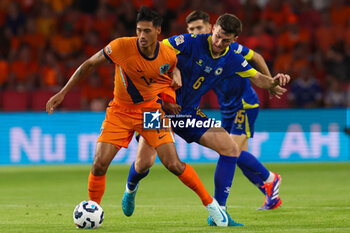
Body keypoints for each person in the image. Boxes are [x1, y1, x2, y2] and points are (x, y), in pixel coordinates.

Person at [46, 6, 228, 227]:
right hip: (120, 112)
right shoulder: (121, 46)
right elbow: (89, 65)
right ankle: (93, 210)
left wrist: (169, 102)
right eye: (139, 30)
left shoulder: (168, 55)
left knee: (173, 164)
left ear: (158, 31)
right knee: (99, 165)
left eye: (147, 31)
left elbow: (168, 80)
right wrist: (63, 92)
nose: (142, 35)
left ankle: (211, 206)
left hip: (151, 112)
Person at [122, 12, 290, 226]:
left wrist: (274, 81)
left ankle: (219, 213)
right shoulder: (189, 41)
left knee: (230, 148)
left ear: (234, 40)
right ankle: (130, 188)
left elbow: (258, 78)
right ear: (213, 29)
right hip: (158, 108)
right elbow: (156, 49)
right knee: (144, 163)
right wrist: (173, 70)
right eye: (218, 36)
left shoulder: (233, 58)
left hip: (188, 113)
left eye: (226, 40)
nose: (219, 43)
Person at [187, 10, 283, 211]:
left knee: (232, 150)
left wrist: (271, 82)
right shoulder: (198, 49)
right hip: (227, 108)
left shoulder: (229, 47)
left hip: (243, 104)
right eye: (191, 29)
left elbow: (256, 57)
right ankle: (270, 195)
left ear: (210, 27)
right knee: (236, 157)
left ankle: (270, 178)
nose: (195, 31)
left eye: (198, 28)